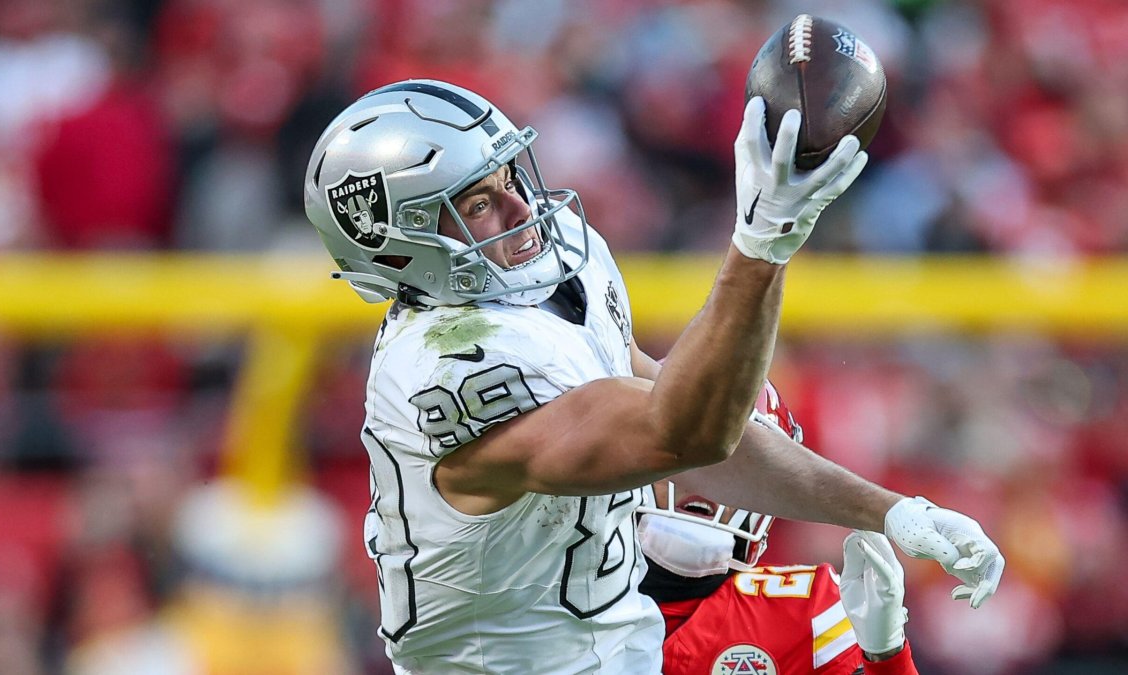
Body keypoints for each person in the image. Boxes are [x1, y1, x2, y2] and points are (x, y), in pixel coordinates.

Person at [303, 79, 1004, 674]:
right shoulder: (446, 370)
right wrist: (760, 246)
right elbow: (681, 434)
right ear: (399, 248)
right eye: (478, 204)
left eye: (510, 176)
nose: (521, 209)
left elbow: (697, 427)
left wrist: (892, 511)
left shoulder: (562, 265)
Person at [639, 380, 919, 674]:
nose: (705, 482)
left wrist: (887, 657)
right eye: (684, 454)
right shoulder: (599, 582)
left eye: (733, 464)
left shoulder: (808, 614)